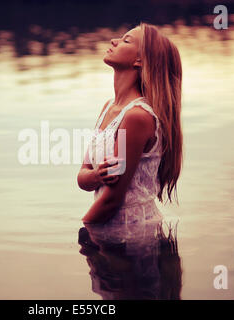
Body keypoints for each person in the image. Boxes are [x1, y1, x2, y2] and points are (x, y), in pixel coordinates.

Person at [77, 22, 183, 227]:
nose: (113, 41)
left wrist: (82, 232)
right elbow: (82, 177)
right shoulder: (108, 107)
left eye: (125, 40)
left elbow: (112, 200)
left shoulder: (137, 117)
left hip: (132, 235)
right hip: (108, 229)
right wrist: (98, 176)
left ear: (140, 60)